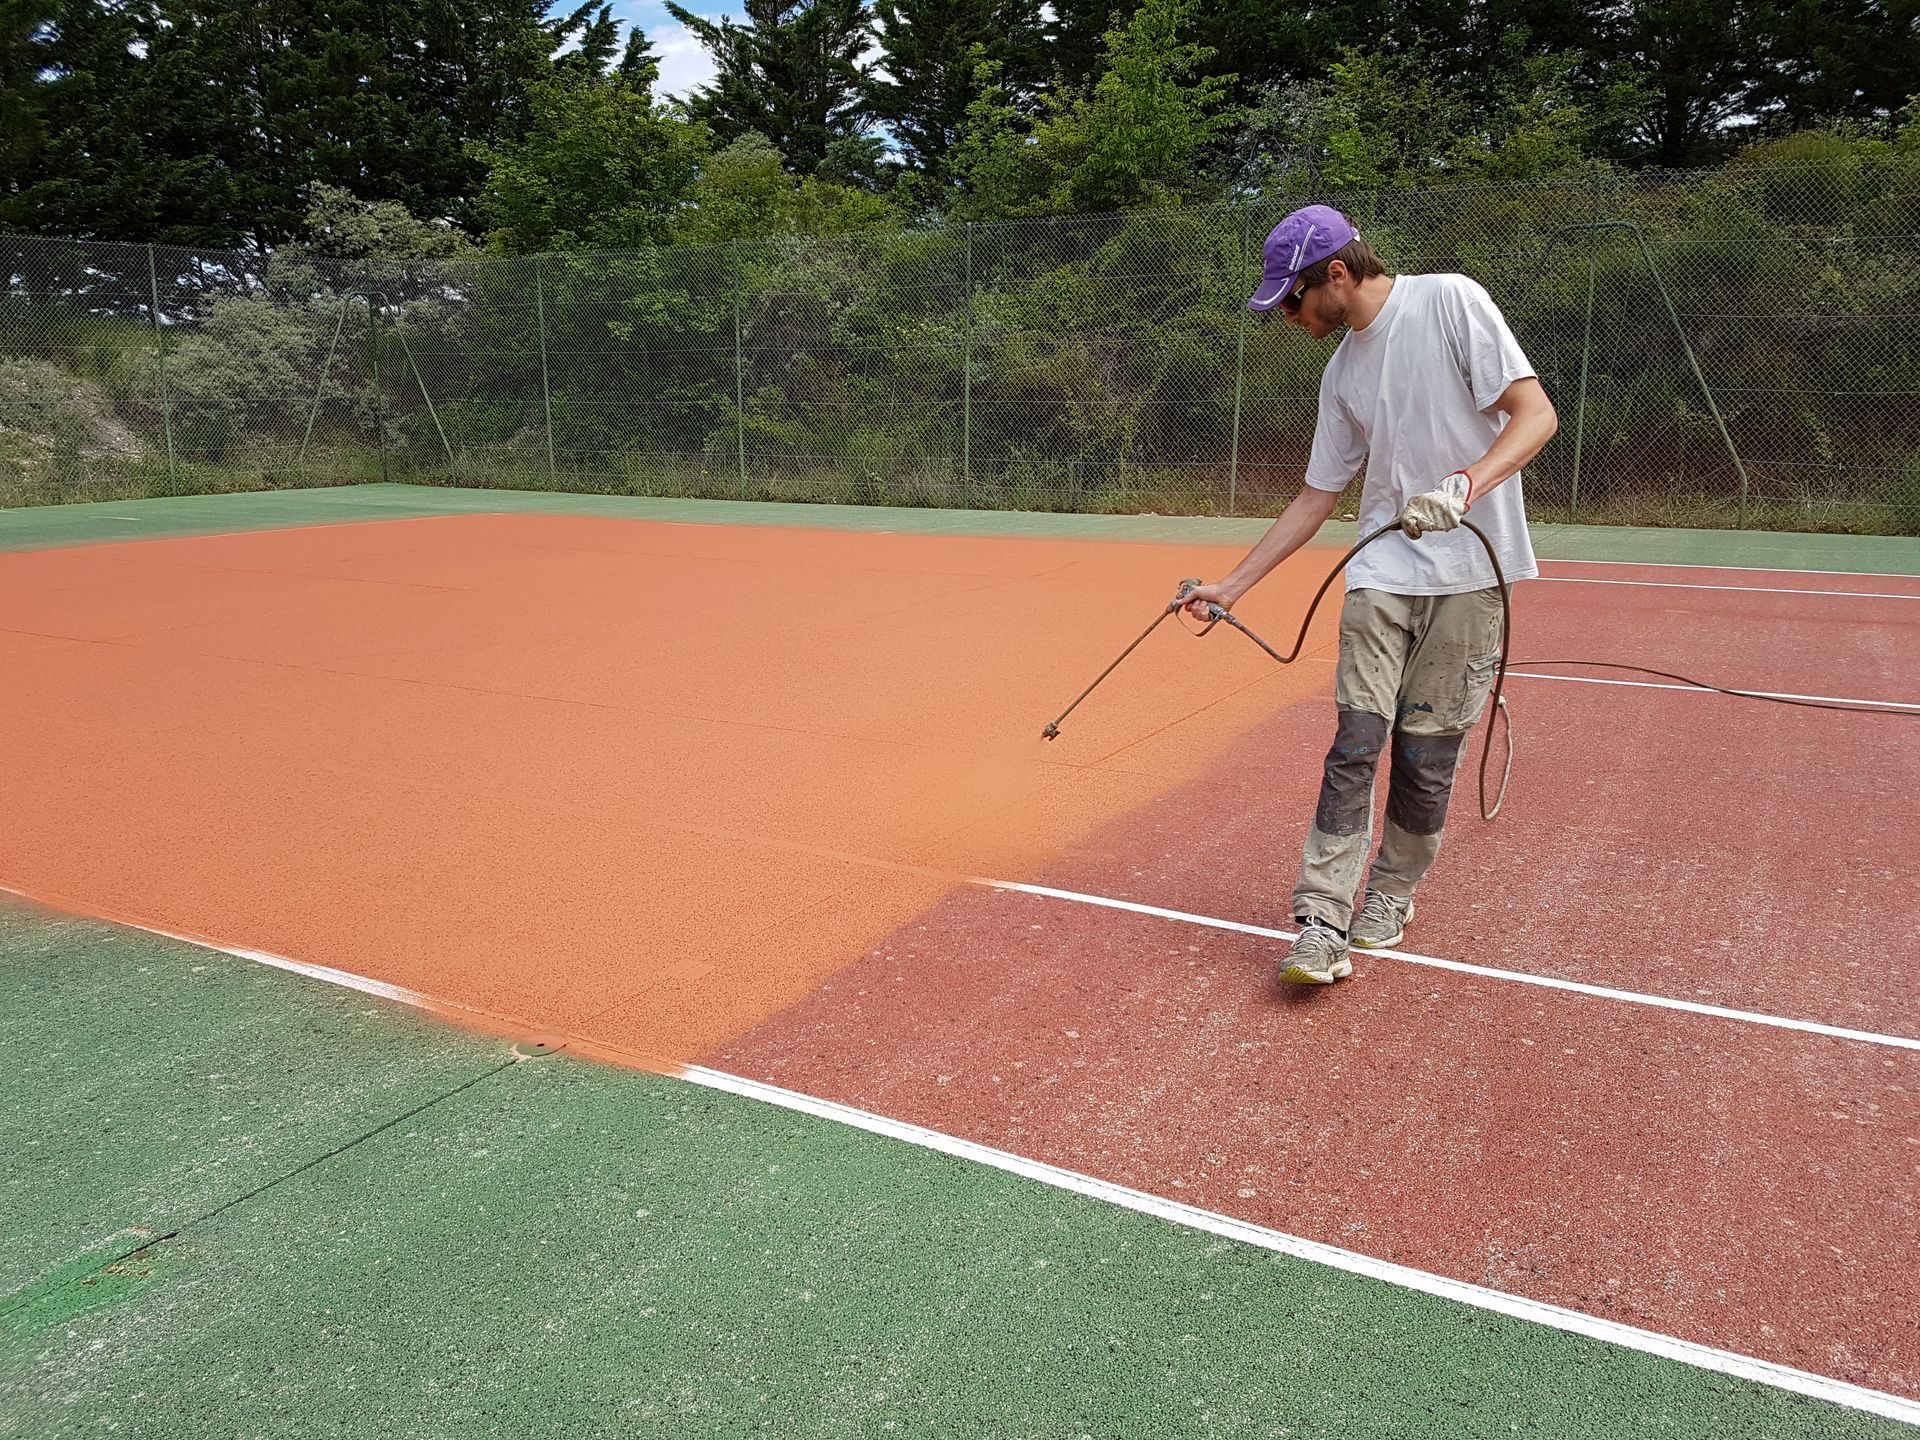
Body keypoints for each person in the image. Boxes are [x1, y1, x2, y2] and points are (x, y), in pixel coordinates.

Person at [1182, 205, 1559, 985]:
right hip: (1383, 575)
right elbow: (1318, 496)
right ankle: (1321, 919)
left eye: (1293, 299)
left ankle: (1391, 890)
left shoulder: (1451, 300)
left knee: (1425, 758)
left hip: (1470, 576)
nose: (1288, 316)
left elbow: (1536, 414)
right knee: (1355, 745)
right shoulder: (1342, 372)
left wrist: (1464, 485)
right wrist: (1233, 587)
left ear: (1339, 273)